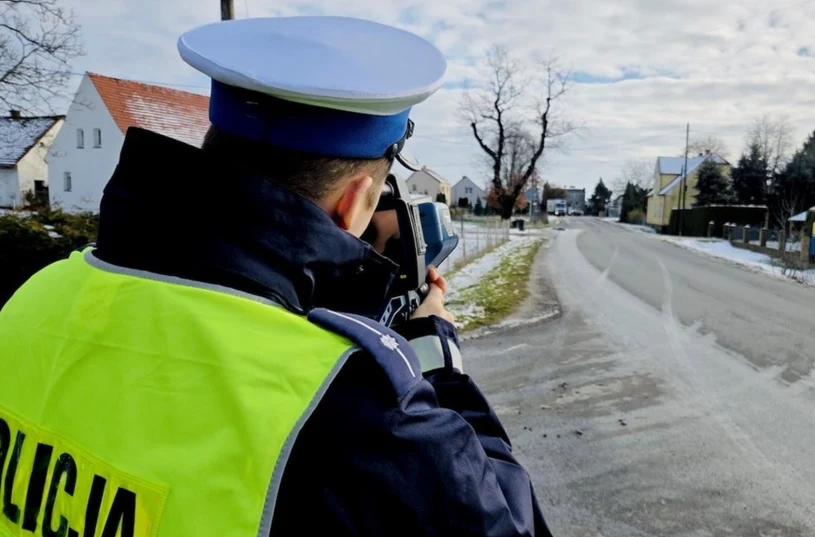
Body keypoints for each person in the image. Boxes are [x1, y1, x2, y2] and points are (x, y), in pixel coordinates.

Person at [0, 16, 552, 537]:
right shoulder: (359, 406)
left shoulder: (33, 298)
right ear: (357, 200)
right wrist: (439, 361)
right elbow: (507, 520)